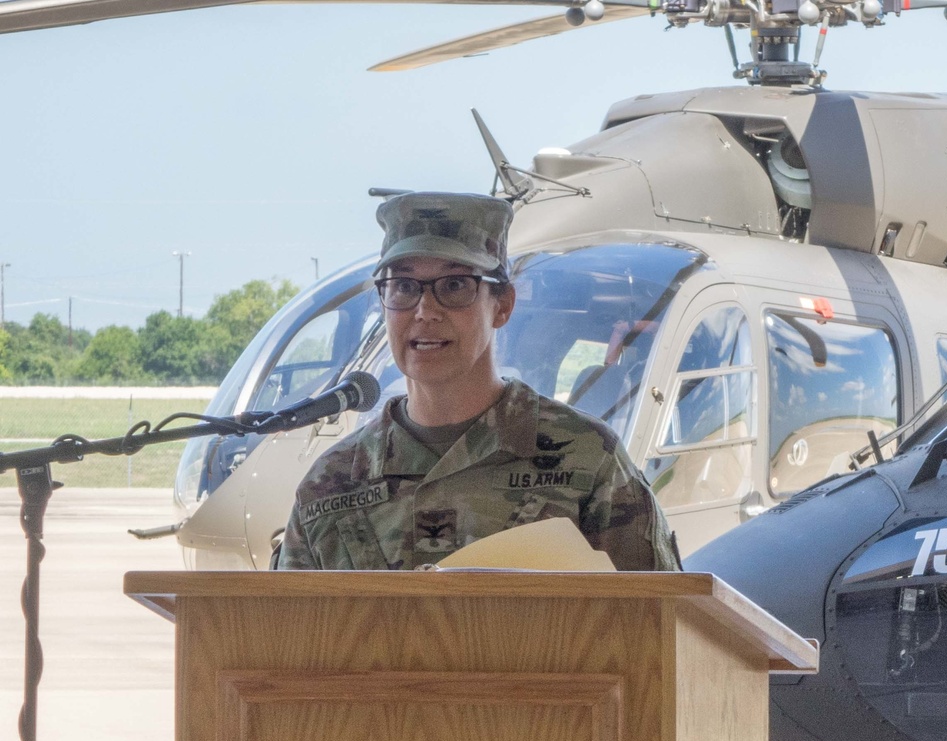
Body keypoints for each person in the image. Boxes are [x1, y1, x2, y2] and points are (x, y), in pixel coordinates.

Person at [278, 191, 679, 572]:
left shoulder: (588, 460)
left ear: (502, 305)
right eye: (403, 286)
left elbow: (662, 623)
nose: (425, 311)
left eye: (454, 286)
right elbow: (282, 638)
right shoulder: (330, 485)